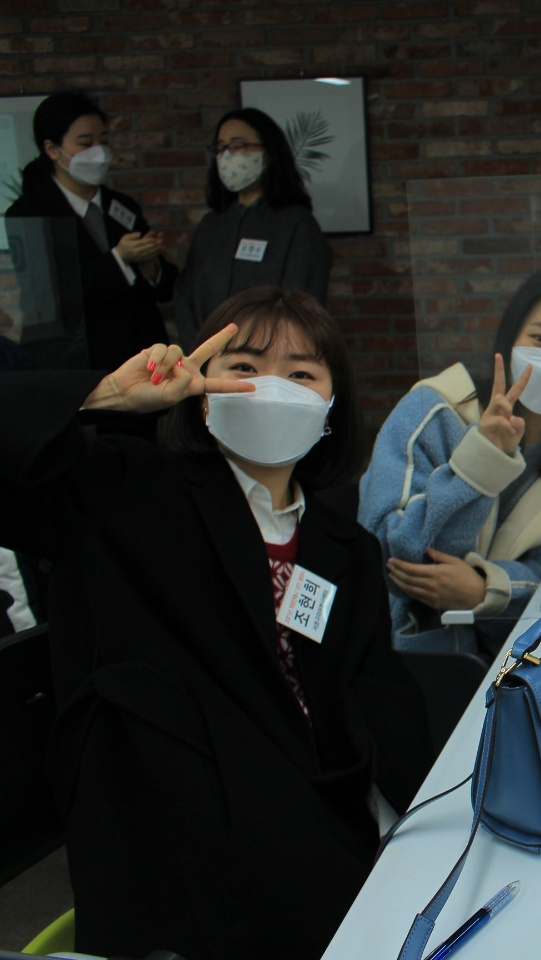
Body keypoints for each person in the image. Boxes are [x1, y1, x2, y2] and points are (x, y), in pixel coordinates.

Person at [0, 288, 433, 960]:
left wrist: (433, 822)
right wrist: (101, 398)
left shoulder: (343, 546)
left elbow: (375, 697)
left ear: (331, 408)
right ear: (203, 394)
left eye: (301, 373)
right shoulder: (126, 491)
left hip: (317, 831)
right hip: (175, 841)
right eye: (245, 366)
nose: (272, 388)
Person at [359, 265, 541, 657]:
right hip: (407, 654)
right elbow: (396, 555)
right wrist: (483, 461)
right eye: (540, 339)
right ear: (511, 337)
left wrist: (488, 589)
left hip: (509, 662)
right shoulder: (433, 409)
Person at [3, 91, 175, 373]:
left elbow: (164, 288)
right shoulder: (30, 213)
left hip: (140, 354)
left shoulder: (122, 206)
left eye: (103, 141)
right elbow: (51, 297)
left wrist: (150, 265)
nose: (99, 152)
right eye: (85, 143)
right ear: (52, 149)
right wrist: (119, 258)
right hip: (78, 361)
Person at [174, 107, 333, 351]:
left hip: (270, 359)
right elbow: (185, 297)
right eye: (221, 148)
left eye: (238, 146)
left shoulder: (296, 223)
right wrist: (201, 352)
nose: (228, 155)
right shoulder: (212, 225)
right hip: (206, 360)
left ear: (268, 153)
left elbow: (302, 305)